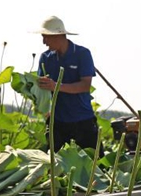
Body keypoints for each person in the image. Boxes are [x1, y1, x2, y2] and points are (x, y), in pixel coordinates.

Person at [34, 15, 104, 156]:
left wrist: (56, 86)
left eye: (46, 37)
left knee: (98, 165)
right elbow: (42, 89)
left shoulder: (82, 54)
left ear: (57, 35)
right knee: (55, 167)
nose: (44, 42)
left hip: (83, 120)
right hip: (57, 122)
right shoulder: (45, 58)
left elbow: (85, 85)